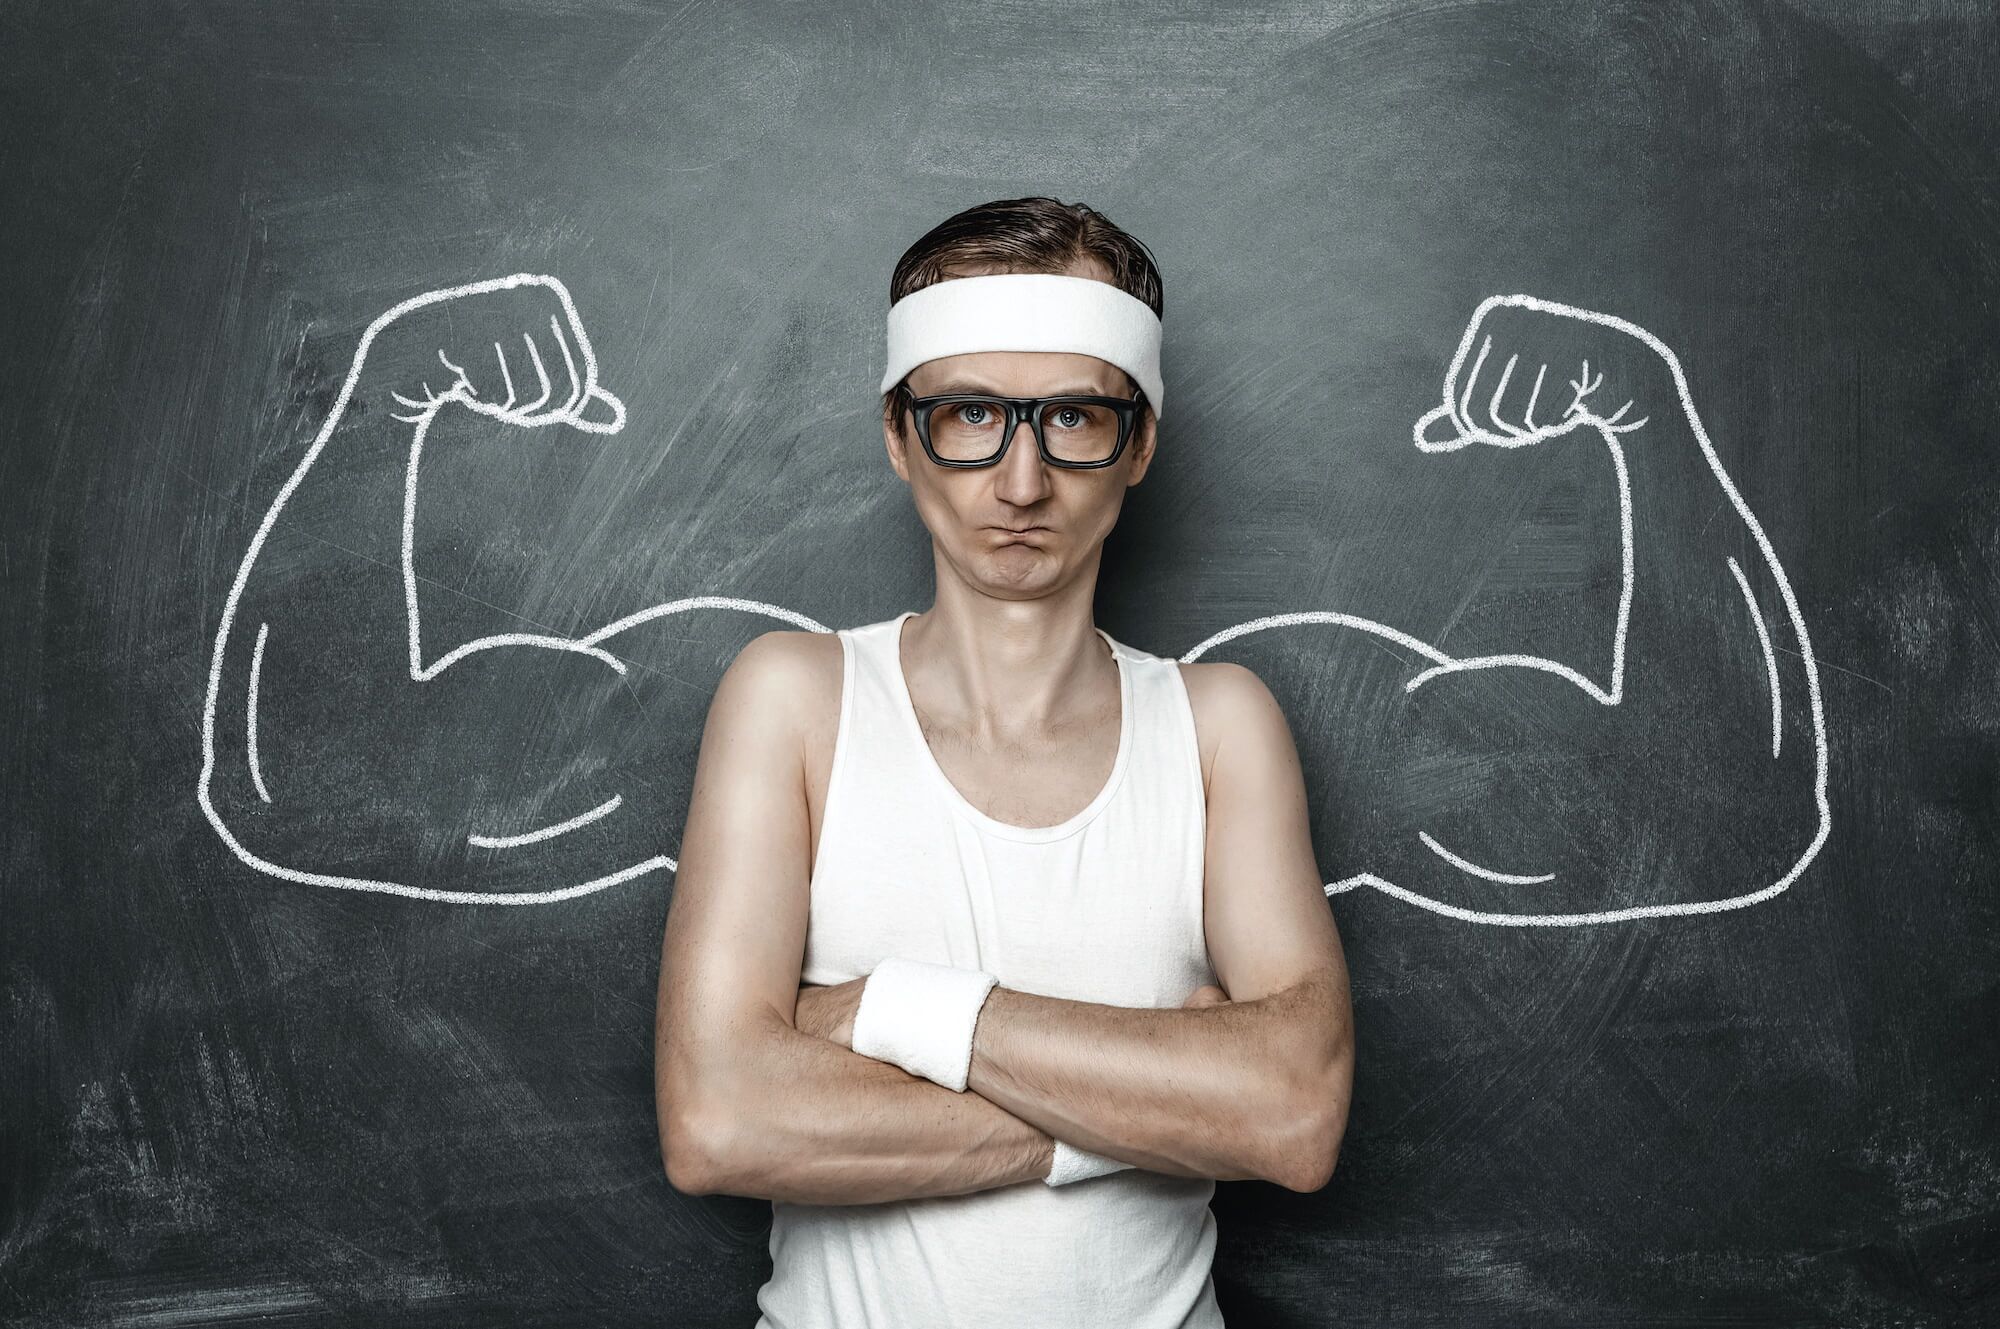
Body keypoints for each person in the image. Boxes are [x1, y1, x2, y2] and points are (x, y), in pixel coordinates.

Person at [654, 196, 1354, 1328]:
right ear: (899, 434)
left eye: (1073, 416)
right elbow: (719, 1121)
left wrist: (891, 1009)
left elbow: (1293, 1115)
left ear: (1139, 442)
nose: (1021, 481)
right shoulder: (795, 702)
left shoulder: (1217, 727)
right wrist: (1161, 1107)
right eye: (970, 413)